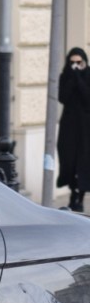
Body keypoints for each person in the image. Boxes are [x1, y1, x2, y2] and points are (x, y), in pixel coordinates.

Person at [57, 47, 90, 212]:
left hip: (85, 128)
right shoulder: (65, 76)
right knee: (69, 160)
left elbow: (87, 97)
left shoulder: (88, 75)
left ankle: (80, 196)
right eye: (72, 62)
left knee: (83, 162)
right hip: (69, 127)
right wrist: (72, 76)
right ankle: (73, 192)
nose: (75, 65)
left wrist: (78, 76)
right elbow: (63, 97)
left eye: (79, 62)